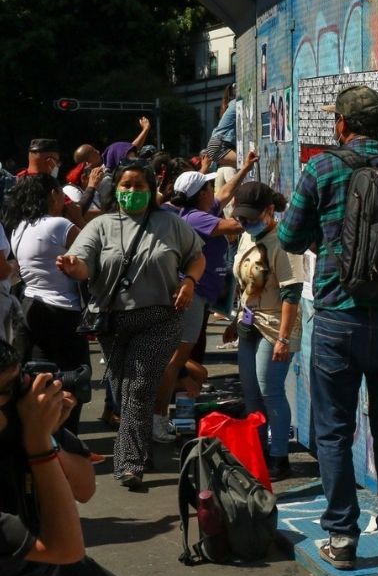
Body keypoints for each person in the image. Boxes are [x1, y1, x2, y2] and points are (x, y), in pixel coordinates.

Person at [278, 84, 378, 570]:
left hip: (337, 320)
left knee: (334, 432)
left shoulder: (322, 168)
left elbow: (289, 235)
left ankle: (343, 539)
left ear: (342, 125)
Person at [56, 160, 205, 491]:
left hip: (160, 318)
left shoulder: (171, 223)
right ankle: (140, 451)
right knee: (125, 390)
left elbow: (197, 256)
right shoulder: (100, 225)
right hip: (111, 320)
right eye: (126, 185)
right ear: (116, 189)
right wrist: (71, 266)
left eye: (139, 186)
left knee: (137, 387)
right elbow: (83, 265)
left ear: (151, 189)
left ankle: (129, 465)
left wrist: (191, 281)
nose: (132, 191)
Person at [0, 340, 154, 576]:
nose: (20, 397)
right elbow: (65, 549)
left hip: (46, 574)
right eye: (7, 390)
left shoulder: (24, 419)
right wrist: (38, 444)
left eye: (20, 383)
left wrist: (47, 437)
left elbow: (84, 488)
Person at [152, 156, 254, 442]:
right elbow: (234, 227)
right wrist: (261, 208)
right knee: (177, 360)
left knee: (183, 360)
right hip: (192, 297)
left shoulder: (196, 210)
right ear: (200, 195)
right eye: (207, 188)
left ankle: (169, 412)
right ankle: (158, 418)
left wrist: (245, 168)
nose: (213, 191)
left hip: (201, 296)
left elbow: (224, 194)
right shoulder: (196, 217)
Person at [230, 181, 304, 480]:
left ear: (269, 211)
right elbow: (243, 280)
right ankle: (256, 452)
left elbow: (292, 294)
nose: (245, 223)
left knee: (269, 390)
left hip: (275, 326)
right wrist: (234, 321)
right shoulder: (247, 237)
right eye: (241, 218)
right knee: (250, 393)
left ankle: (279, 458)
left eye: (250, 217)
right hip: (248, 323)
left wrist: (283, 339)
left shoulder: (283, 243)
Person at [3, 175, 88, 433]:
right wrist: (77, 215)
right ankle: (68, 440)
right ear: (52, 195)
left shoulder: (19, 227)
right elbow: (93, 251)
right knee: (75, 379)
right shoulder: (60, 225)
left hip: (30, 307)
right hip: (64, 311)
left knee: (43, 378)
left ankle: (44, 438)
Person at [203, 84, 239, 173]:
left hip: (217, 145)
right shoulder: (236, 104)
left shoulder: (229, 106)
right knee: (245, 161)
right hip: (220, 146)